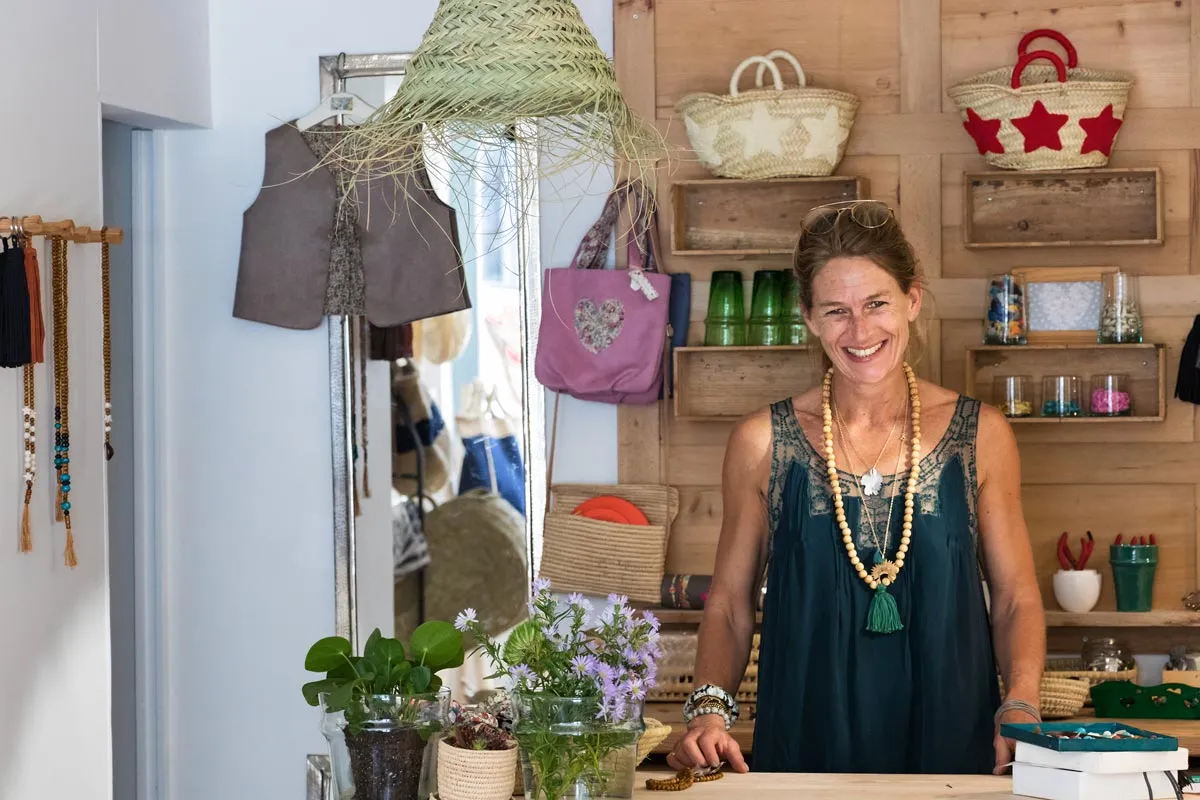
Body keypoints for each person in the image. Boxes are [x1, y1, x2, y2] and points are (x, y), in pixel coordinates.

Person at [667, 200, 1045, 776]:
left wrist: (1020, 702)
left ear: (912, 301)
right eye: (837, 311)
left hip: (952, 745)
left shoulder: (981, 434)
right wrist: (709, 710)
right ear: (810, 318)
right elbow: (729, 604)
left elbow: (1016, 596)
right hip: (803, 746)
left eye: (876, 304)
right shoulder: (761, 442)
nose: (860, 331)